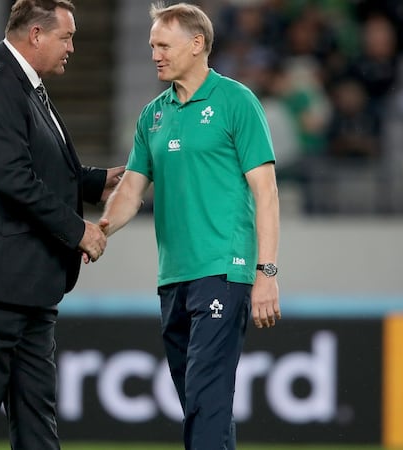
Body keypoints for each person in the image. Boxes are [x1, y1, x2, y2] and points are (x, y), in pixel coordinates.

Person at [0, 1, 123, 448]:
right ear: (36, 34)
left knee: (35, 412)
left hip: (20, 282)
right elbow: (12, 180)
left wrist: (96, 182)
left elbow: (36, 164)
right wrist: (78, 230)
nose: (72, 47)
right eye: (66, 37)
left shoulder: (19, 81)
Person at [99, 3, 280, 449]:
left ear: (197, 44)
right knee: (202, 404)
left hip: (223, 270)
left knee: (204, 397)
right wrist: (97, 231)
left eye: (163, 45)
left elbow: (267, 193)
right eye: (152, 46)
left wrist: (266, 272)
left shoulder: (236, 101)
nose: (155, 55)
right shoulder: (152, 115)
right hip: (173, 278)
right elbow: (131, 189)